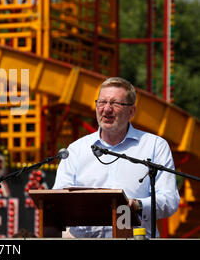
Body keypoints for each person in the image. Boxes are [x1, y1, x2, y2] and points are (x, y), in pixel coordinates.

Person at [53, 77, 180, 238]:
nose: (106, 109)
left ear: (131, 112)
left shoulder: (154, 146)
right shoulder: (76, 149)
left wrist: (138, 205)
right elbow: (57, 197)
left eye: (115, 103)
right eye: (102, 102)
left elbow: (169, 200)